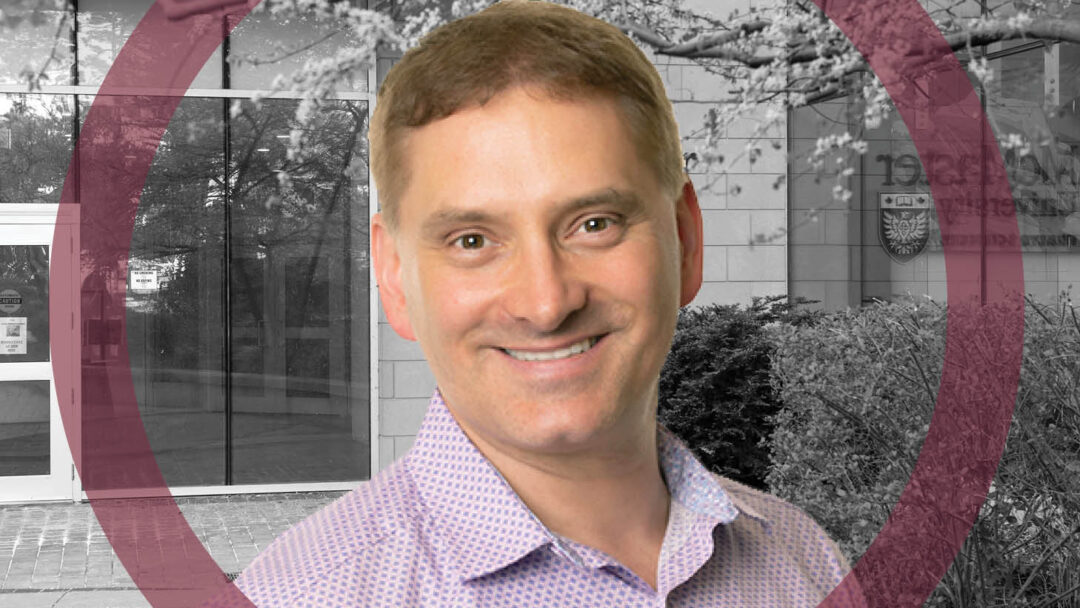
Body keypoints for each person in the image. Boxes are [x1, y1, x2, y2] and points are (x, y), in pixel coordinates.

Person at [229, 1, 858, 606]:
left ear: (686, 241)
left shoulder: (805, 561)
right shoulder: (297, 596)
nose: (546, 302)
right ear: (394, 277)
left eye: (595, 224)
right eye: (472, 240)